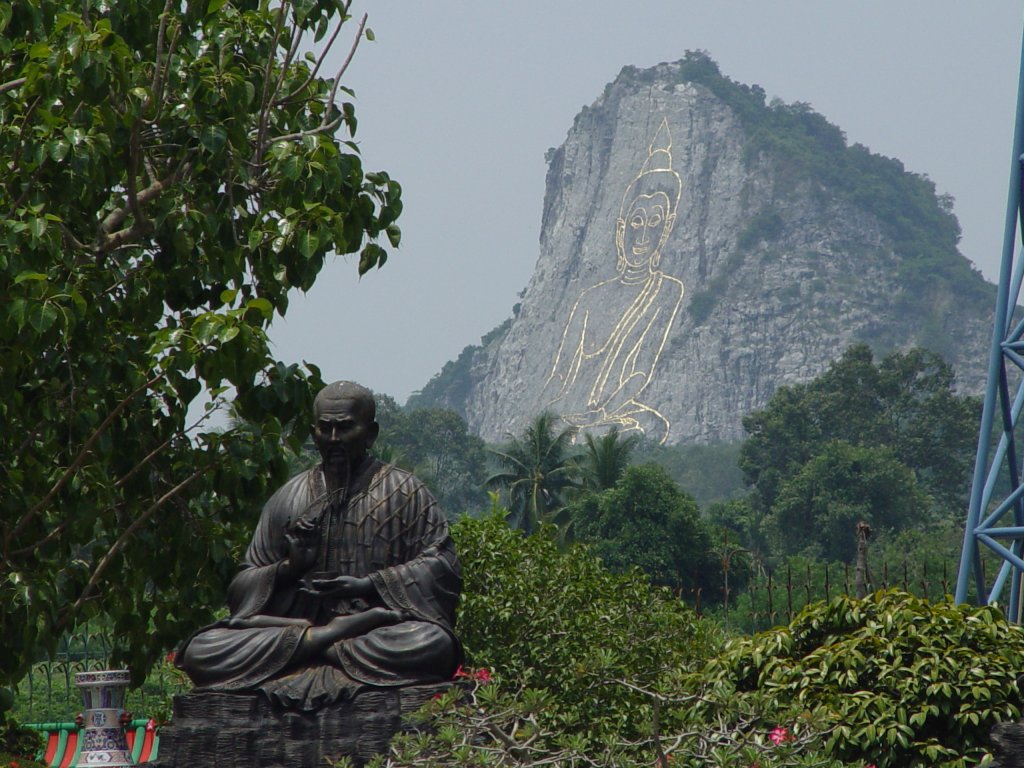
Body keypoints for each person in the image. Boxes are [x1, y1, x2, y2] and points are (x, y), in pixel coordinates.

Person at [176, 381, 461, 711]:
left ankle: (311, 644)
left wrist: (369, 585)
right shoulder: (288, 498)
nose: (334, 439)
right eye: (325, 429)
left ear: (371, 433)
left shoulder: (406, 493)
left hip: (371, 632)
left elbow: (441, 565)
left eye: (345, 428)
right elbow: (241, 589)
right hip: (302, 632)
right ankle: (324, 639)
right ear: (314, 433)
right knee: (201, 649)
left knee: (433, 643)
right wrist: (289, 568)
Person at [543, 118, 684, 445]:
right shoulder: (591, 298)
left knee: (645, 430)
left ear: (666, 230)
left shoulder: (666, 291)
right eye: (636, 222)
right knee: (553, 432)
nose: (642, 235)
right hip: (574, 412)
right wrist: (543, 414)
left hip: (616, 410)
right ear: (621, 228)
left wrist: (603, 408)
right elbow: (561, 374)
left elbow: (641, 371)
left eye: (654, 223)